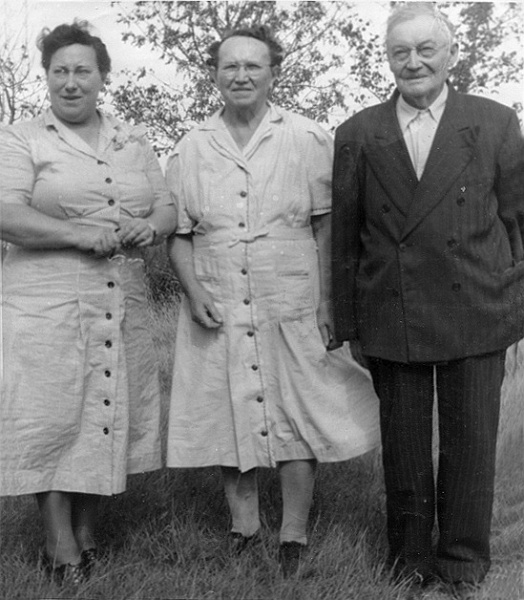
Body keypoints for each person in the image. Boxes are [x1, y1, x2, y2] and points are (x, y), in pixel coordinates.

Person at [166, 25, 380, 577]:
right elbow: (179, 232)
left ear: (272, 73)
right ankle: (244, 527)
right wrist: (192, 293)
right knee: (226, 411)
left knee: (295, 410)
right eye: (229, 66)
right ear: (214, 75)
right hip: (218, 297)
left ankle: (294, 534)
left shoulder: (306, 137)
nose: (240, 75)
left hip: (291, 294)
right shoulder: (191, 147)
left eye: (253, 66)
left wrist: (328, 301)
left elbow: (327, 224)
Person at [332, 3, 524, 596]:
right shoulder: (359, 132)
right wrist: (348, 321)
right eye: (400, 52)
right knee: (406, 448)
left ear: (450, 55)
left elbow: (518, 220)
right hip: (394, 310)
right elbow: (345, 234)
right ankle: (408, 562)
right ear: (387, 60)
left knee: (471, 446)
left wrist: (514, 310)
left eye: (426, 50)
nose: (413, 63)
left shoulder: (494, 121)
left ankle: (464, 563)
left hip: (478, 310)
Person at [0, 21, 176, 584]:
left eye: (82, 71)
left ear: (102, 77)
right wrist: (79, 234)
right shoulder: (23, 138)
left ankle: (88, 533)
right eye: (59, 71)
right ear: (46, 77)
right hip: (45, 300)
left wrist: (149, 227)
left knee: (106, 411)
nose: (70, 83)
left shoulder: (133, 139)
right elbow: (5, 213)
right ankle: (59, 548)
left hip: (119, 297)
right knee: (54, 416)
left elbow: (168, 207)